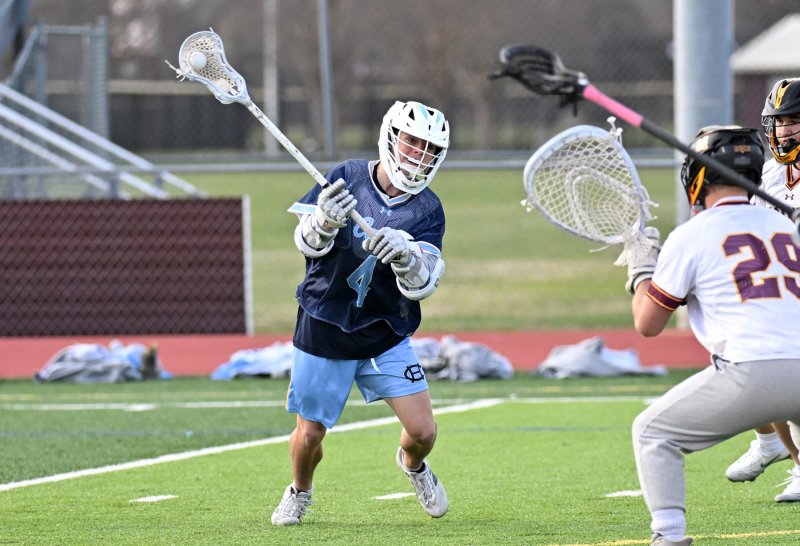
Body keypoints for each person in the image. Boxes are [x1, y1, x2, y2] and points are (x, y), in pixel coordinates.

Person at [270, 100, 451, 526]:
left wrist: (406, 255)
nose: (419, 155)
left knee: (423, 432)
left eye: (429, 149)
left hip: (384, 330)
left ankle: (413, 466)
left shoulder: (427, 209)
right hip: (325, 323)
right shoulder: (347, 176)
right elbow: (307, 245)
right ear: (391, 137)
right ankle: (299, 491)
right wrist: (323, 222)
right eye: (412, 142)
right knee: (310, 434)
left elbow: (423, 284)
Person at [622, 125, 800, 546]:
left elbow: (648, 324)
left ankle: (669, 536)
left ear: (697, 176)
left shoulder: (692, 234)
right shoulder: (786, 227)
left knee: (653, 433)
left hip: (752, 374)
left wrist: (641, 270)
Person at [725, 78, 800, 498]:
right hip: (782, 289)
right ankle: (771, 442)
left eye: (793, 120)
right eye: (779, 122)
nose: (784, 130)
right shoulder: (768, 174)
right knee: (745, 353)